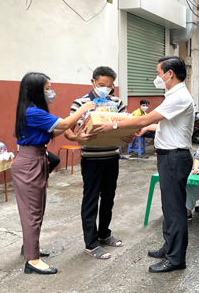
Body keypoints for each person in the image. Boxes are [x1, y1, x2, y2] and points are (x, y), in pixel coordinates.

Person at [91, 56, 195, 273]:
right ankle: (169, 247)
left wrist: (114, 125)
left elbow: (143, 119)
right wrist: (147, 129)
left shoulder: (179, 96)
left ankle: (176, 259)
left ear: (170, 74)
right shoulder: (173, 95)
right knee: (169, 207)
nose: (157, 77)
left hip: (174, 157)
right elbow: (165, 126)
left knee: (175, 210)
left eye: (159, 73)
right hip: (169, 155)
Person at [11, 72, 97, 274]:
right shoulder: (32, 112)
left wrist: (76, 133)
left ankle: (29, 248)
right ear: (36, 90)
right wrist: (83, 109)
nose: (51, 92)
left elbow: (55, 130)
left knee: (36, 209)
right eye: (47, 88)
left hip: (36, 159)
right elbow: (64, 124)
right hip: (30, 162)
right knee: (32, 212)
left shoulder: (32, 111)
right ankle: (32, 260)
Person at [64, 66, 126, 260]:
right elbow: (67, 129)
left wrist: (127, 137)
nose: (105, 89)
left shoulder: (117, 102)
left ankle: (104, 233)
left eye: (109, 86)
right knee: (91, 198)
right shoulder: (81, 103)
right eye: (101, 85)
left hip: (112, 156)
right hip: (91, 158)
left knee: (108, 197)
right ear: (93, 82)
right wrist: (77, 139)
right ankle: (90, 244)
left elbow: (126, 124)